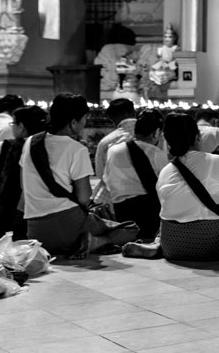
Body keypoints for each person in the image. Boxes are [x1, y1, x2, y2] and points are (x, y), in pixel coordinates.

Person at [127, 113, 219, 261]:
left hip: (171, 243)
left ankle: (157, 245)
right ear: (197, 137)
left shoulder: (166, 171)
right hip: (212, 240)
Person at [22, 94, 135, 259]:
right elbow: (84, 197)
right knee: (130, 230)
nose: (85, 123)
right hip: (68, 225)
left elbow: (23, 184)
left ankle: (90, 240)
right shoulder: (76, 149)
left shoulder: (30, 142)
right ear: (73, 122)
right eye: (84, 118)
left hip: (36, 232)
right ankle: (95, 242)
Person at [0, 106, 49, 242]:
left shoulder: (4, 147)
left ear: (21, 127)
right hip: (45, 219)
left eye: (13, 124)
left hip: (7, 221)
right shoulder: (53, 146)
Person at [104, 109, 167, 241]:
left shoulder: (113, 150)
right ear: (156, 132)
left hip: (120, 210)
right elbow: (164, 186)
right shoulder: (155, 153)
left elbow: (107, 179)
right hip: (148, 212)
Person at [93, 98, 137, 203]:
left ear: (112, 118)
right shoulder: (155, 136)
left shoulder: (106, 142)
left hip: (116, 200)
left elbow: (100, 173)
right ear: (134, 113)